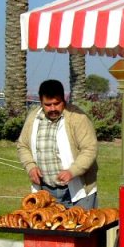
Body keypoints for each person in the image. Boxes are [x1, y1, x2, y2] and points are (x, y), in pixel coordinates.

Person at [17, 79, 98, 209]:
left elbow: (89, 149)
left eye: (57, 103)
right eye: (48, 105)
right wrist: (30, 166)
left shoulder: (78, 118)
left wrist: (72, 171)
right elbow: (23, 146)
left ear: (64, 99)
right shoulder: (33, 118)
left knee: (81, 228)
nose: (53, 108)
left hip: (78, 191)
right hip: (45, 192)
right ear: (41, 101)